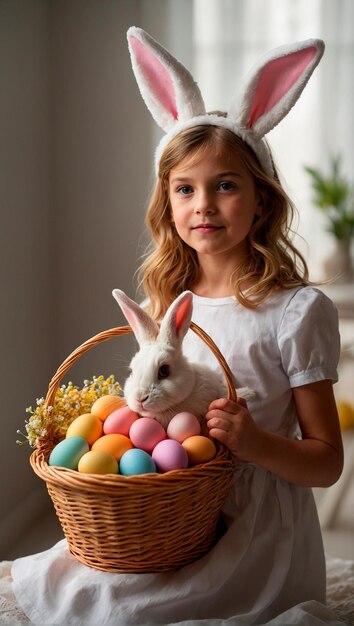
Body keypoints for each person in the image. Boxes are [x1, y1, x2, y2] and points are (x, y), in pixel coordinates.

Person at [11, 27, 345, 626]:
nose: (204, 205)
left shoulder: (295, 310)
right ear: (167, 202)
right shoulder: (165, 299)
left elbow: (326, 462)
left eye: (225, 186)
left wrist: (255, 442)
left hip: (253, 532)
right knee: (86, 586)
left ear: (261, 201)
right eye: (184, 189)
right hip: (169, 514)